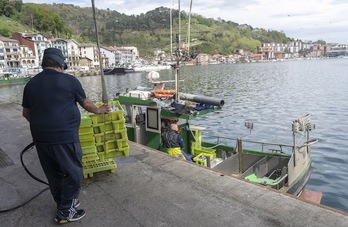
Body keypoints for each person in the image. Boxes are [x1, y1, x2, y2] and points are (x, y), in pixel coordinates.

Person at [22, 48, 110, 224]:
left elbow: (26, 113)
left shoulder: (31, 84)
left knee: (53, 174)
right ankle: (65, 212)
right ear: (61, 64)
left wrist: (43, 126)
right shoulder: (69, 80)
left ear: (44, 63)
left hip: (40, 139)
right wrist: (100, 110)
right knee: (73, 173)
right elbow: (85, 103)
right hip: (64, 137)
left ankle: (63, 203)